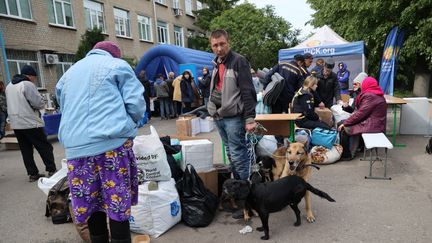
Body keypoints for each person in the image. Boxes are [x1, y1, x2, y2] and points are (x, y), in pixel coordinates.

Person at [56, 41, 145, 243]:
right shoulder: (118, 65)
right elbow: (136, 104)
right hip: (111, 147)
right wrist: (130, 124)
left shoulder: (68, 74)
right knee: (117, 202)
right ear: (114, 55)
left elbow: (63, 104)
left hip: (77, 151)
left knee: (92, 203)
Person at [207, 29, 257, 183]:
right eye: (215, 45)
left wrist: (249, 119)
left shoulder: (238, 61)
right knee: (230, 152)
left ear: (228, 42)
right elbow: (218, 88)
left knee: (237, 154)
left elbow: (248, 91)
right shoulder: (217, 62)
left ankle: (245, 189)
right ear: (211, 46)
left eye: (222, 44)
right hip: (219, 115)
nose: (219, 48)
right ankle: (237, 186)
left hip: (234, 117)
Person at [5, 65, 57, 182]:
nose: (34, 80)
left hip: (16, 124)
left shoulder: (9, 86)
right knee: (44, 147)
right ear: (29, 76)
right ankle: (51, 170)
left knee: (26, 150)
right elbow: (38, 103)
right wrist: (42, 103)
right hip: (30, 122)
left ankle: (33, 174)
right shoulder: (27, 84)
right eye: (34, 77)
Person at [337, 77, 386, 160]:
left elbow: (360, 114)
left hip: (371, 125)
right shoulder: (375, 94)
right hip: (372, 123)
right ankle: (353, 149)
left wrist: (346, 123)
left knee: (344, 128)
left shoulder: (370, 96)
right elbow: (359, 112)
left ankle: (347, 155)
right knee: (341, 123)